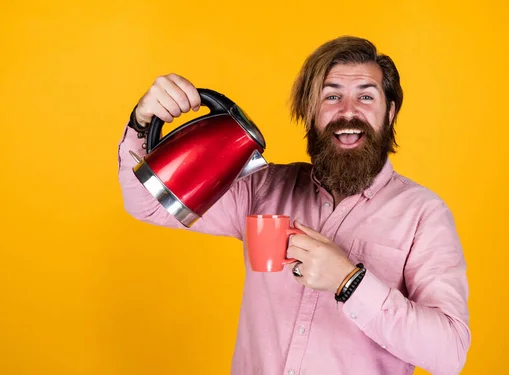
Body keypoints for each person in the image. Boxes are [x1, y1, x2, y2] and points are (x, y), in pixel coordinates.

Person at [117, 36, 471, 375]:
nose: (348, 111)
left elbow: (449, 353)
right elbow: (147, 205)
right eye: (331, 97)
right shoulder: (262, 187)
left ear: (390, 113)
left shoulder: (424, 214)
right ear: (309, 112)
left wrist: (349, 281)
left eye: (366, 97)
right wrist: (141, 122)